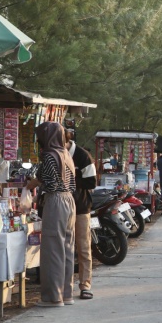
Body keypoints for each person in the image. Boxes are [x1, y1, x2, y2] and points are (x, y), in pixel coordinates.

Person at [24, 122, 76, 307]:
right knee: (67, 247)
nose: (39, 140)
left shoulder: (49, 155)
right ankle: (66, 294)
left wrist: (28, 187)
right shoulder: (66, 154)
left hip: (56, 201)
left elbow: (42, 179)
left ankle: (53, 297)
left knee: (53, 248)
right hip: (70, 201)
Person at [66, 128, 97, 300]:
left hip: (81, 207)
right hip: (62, 208)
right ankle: (66, 285)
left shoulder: (82, 156)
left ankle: (85, 285)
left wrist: (70, 179)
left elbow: (91, 181)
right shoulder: (55, 154)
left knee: (84, 248)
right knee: (65, 248)